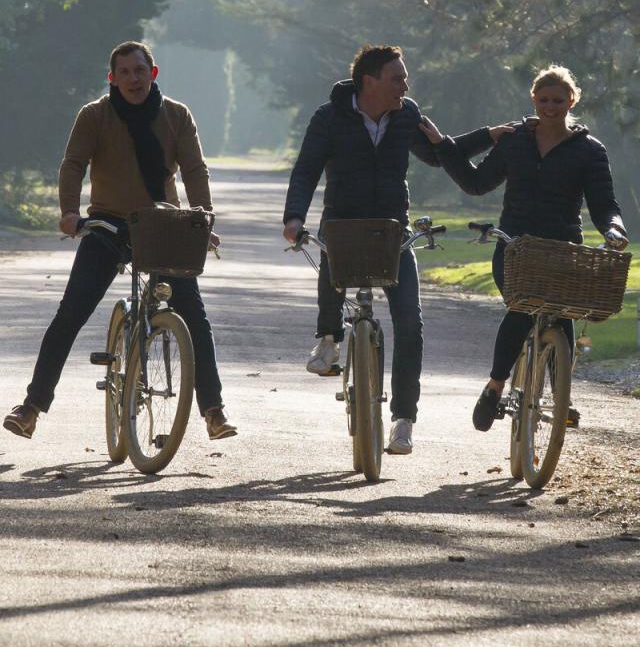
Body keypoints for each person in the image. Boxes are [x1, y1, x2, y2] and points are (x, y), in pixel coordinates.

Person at [3, 41, 237, 442]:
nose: (133, 79)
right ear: (112, 78)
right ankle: (32, 407)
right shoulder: (95, 116)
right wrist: (69, 213)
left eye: (139, 71)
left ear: (153, 73)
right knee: (70, 314)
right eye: (124, 73)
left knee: (194, 316)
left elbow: (195, 170)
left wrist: (203, 215)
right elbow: (73, 164)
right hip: (107, 225)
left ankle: (213, 411)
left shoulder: (176, 115)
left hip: (164, 225)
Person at [282, 44, 510, 455]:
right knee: (330, 247)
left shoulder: (406, 113)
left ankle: (403, 420)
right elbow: (306, 170)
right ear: (369, 81)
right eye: (397, 78)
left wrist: (489, 136)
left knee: (411, 322)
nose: (405, 85)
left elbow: (441, 153)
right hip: (344, 223)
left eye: (404, 78)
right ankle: (328, 339)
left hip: (393, 229)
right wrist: (293, 219)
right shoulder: (329, 117)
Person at [420, 64, 628, 431]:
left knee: (562, 312)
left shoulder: (590, 150)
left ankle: (562, 394)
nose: (550, 107)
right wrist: (444, 147)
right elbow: (475, 183)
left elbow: (603, 204)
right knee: (521, 308)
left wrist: (614, 229)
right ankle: (495, 385)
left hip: (563, 247)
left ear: (572, 101)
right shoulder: (514, 141)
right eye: (544, 100)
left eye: (558, 101)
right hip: (515, 246)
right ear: (533, 99)